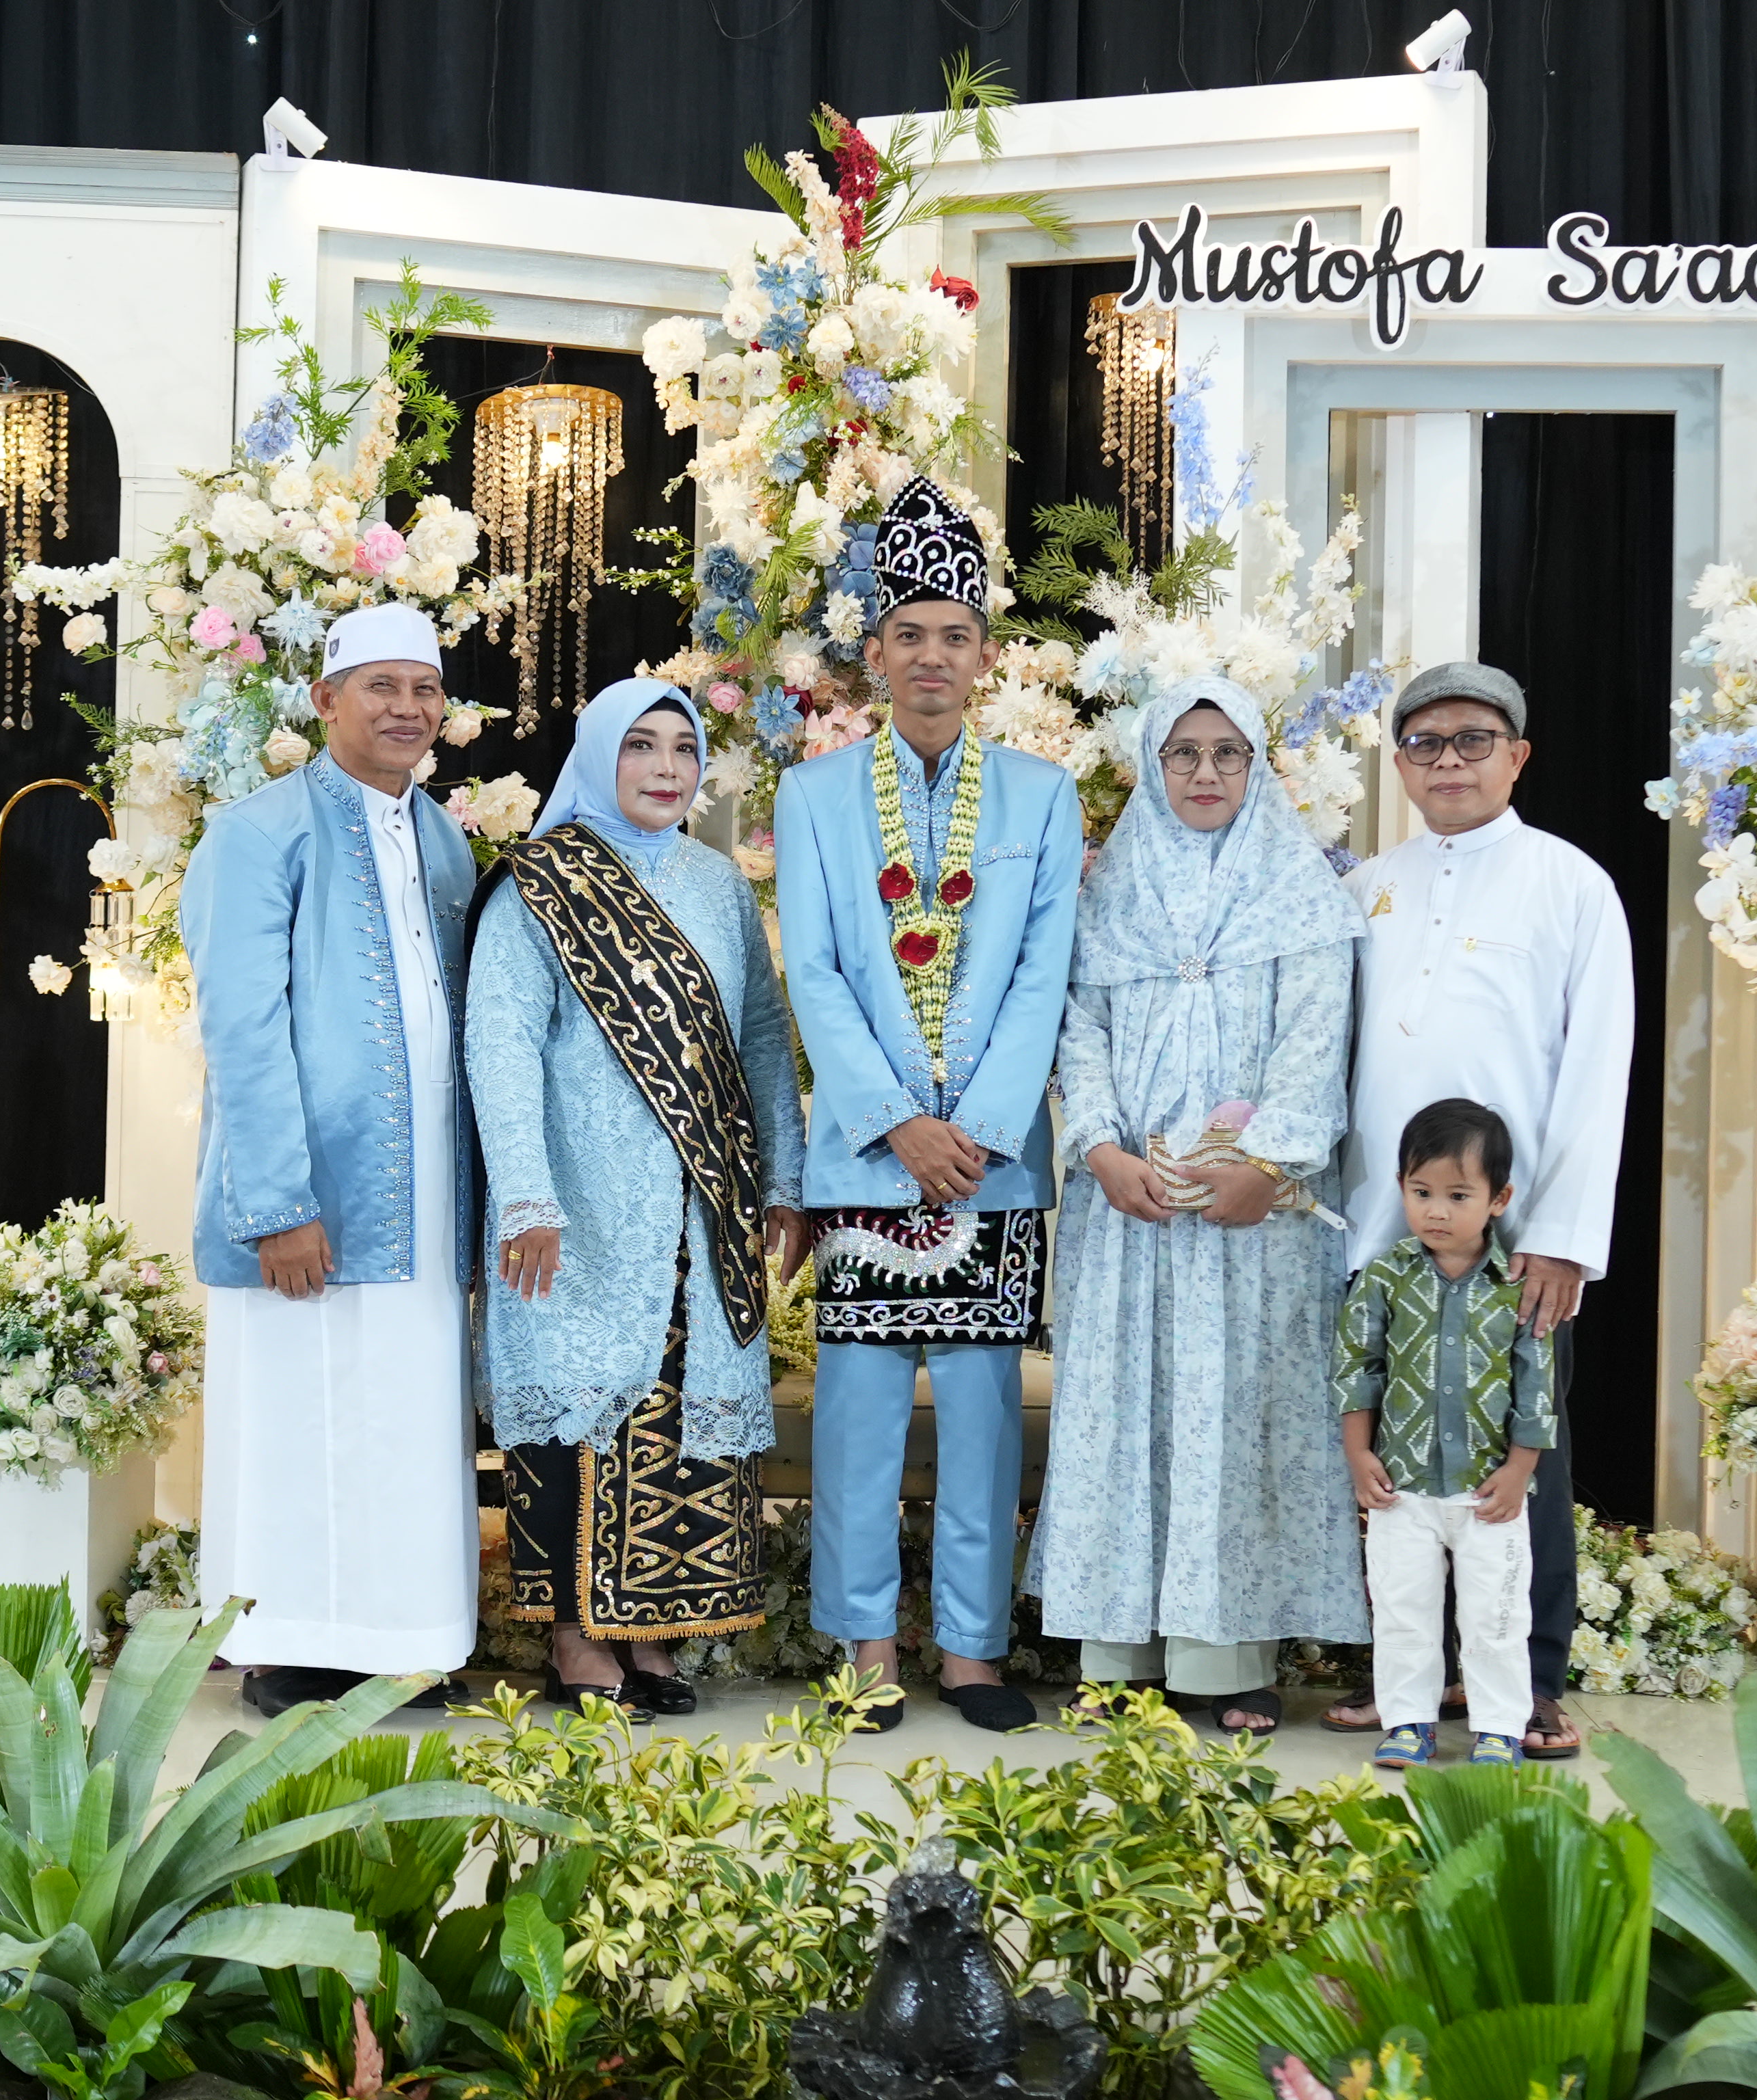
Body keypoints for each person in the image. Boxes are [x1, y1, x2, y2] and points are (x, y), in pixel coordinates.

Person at [774, 474, 1084, 1734]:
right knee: (855, 1414)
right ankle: (862, 1645)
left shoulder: (1041, 797)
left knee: (982, 1411)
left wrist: (979, 1129)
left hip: (990, 1163)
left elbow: (1041, 975)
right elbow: (815, 970)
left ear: (986, 656)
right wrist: (898, 1123)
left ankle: (968, 1649)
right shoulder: (813, 797)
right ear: (876, 654)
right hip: (869, 1155)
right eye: (910, 634)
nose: (933, 657)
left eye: (955, 635)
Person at [1025, 676, 1369, 1734]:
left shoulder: (1300, 892)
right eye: (1184, 753)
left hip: (1251, 1219)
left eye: (1228, 753)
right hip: (1127, 1211)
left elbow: (1318, 1038)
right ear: (1153, 765)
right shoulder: (1109, 893)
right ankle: (1114, 1654)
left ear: (1258, 767)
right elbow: (1075, 1028)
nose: (1206, 772)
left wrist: (1266, 1163)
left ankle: (1227, 1660)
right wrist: (1099, 1148)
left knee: (1236, 1422)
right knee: (1119, 1419)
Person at [466, 678, 809, 1717]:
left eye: (684, 748)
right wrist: (527, 1197)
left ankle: (653, 1632)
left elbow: (760, 1035)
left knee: (677, 1404)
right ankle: (577, 1636)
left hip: (703, 1201)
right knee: (581, 1405)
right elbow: (500, 1039)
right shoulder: (541, 882)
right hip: (574, 1204)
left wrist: (783, 1180)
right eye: (641, 746)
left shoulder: (717, 884)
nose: (667, 768)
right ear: (599, 755)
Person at [180, 600, 480, 1717]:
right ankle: (291, 1648)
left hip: (426, 1191)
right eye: (381, 687)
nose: (407, 709)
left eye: (424, 689)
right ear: (324, 700)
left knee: (406, 1413)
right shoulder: (259, 833)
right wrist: (277, 1203)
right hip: (308, 1189)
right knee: (297, 1411)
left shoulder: (442, 837)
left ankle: (403, 1637)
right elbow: (241, 1027)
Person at [1332, 661, 1633, 1758]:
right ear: (1400, 763)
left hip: (1515, 1243)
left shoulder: (1570, 885)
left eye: (1472, 740)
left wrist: (1561, 1237)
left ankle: (1530, 1686)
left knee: (1519, 1462)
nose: (1448, 761)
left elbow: (1597, 1071)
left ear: (1518, 755)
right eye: (1425, 743)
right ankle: (1406, 1684)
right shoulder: (1368, 887)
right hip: (1385, 1233)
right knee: (1390, 1462)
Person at [1337, 1097, 1557, 1770]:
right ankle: (1409, 1722)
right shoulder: (1385, 1277)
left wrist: (1520, 1470)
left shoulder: (1517, 1286)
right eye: (1421, 1192)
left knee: (1496, 1614)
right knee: (1403, 1609)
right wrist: (1357, 1454)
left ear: (1499, 1199)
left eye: (1458, 1196)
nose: (1437, 1211)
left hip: (1489, 1492)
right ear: (1401, 1188)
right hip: (1401, 1487)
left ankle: (1499, 1728)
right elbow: (1356, 1368)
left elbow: (1537, 1385)